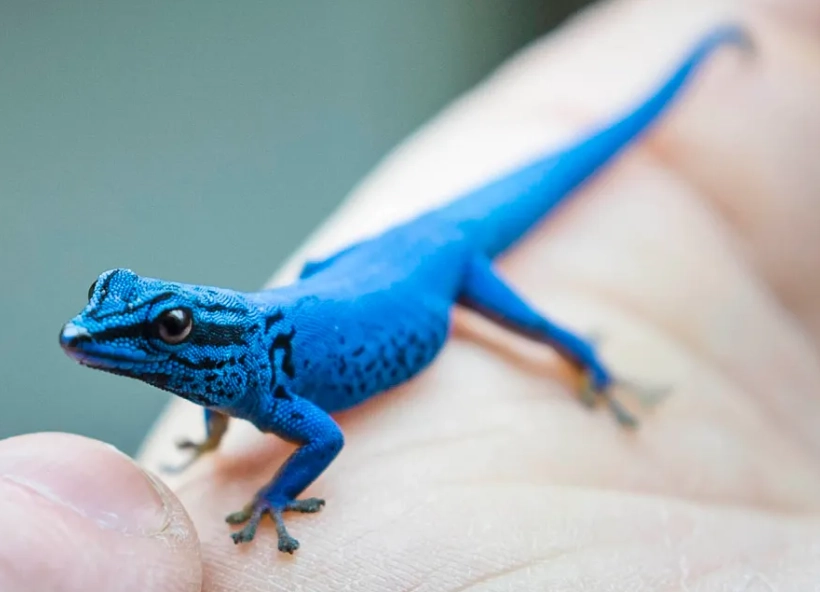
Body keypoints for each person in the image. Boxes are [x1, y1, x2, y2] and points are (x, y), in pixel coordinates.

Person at [3, 0, 818, 589]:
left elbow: (323, 440)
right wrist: (217, 432)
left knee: (531, 323)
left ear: (207, 336)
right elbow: (207, 373)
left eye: (169, 326)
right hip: (379, 262)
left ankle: (593, 366)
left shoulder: (266, 383)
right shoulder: (232, 363)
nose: (91, 335)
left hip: (438, 270)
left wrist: (273, 492)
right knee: (271, 302)